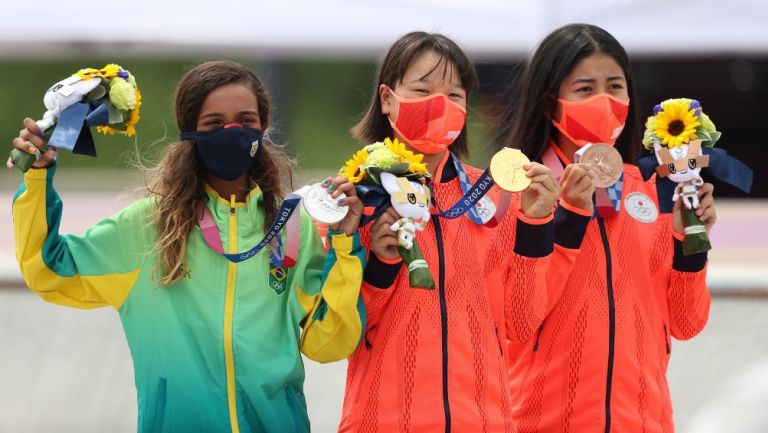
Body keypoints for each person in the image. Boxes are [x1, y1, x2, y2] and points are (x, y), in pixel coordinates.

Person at [10, 60, 366, 433]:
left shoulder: (291, 225)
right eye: (214, 123)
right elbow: (49, 269)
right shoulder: (147, 227)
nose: (232, 132)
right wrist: (38, 179)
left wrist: (344, 244)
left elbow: (329, 343)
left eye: (245, 121)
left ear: (263, 127)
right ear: (190, 132)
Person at [338, 31, 584, 432]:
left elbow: (521, 322)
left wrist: (536, 224)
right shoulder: (354, 199)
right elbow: (341, 334)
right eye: (423, 90)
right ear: (387, 98)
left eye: (454, 95)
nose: (440, 104)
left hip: (485, 421)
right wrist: (381, 266)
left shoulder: (495, 196)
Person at [496, 24, 715, 432]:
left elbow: (687, 323)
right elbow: (519, 319)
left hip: (644, 422)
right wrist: (566, 218)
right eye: (585, 89)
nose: (604, 101)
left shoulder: (653, 192)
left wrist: (692, 243)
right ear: (550, 104)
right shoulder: (517, 196)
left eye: (615, 87)